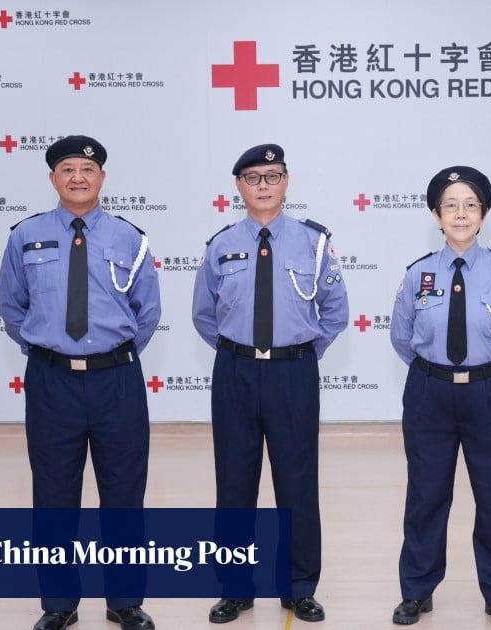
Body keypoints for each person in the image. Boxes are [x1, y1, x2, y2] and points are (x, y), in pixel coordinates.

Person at [0, 135, 161, 630]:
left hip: (117, 382)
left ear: (102, 179)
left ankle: (124, 602)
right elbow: (12, 306)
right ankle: (59, 605)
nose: (77, 177)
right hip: (51, 382)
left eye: (87, 169)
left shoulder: (130, 238)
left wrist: (108, 353)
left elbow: (147, 313)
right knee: (53, 496)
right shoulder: (25, 236)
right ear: (53, 179)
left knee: (124, 495)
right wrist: (49, 352)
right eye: (66, 169)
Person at [191, 143, 348, 624]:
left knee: (297, 483)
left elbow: (335, 311)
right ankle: (235, 588)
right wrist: (243, 354)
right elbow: (203, 314)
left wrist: (297, 355)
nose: (263, 185)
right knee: (234, 483)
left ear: (286, 181)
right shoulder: (219, 244)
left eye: (273, 176)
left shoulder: (314, 242)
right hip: (235, 371)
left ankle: (298, 586)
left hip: (292, 373)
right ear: (239, 186)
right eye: (253, 177)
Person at [388, 166, 491, 629]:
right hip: (429, 393)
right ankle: (417, 590)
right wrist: (438, 372)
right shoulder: (418, 274)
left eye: (470, 205)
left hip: (490, 394)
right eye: (451, 205)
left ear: (484, 213)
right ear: (437, 214)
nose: (460, 213)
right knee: (425, 494)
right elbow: (402, 337)